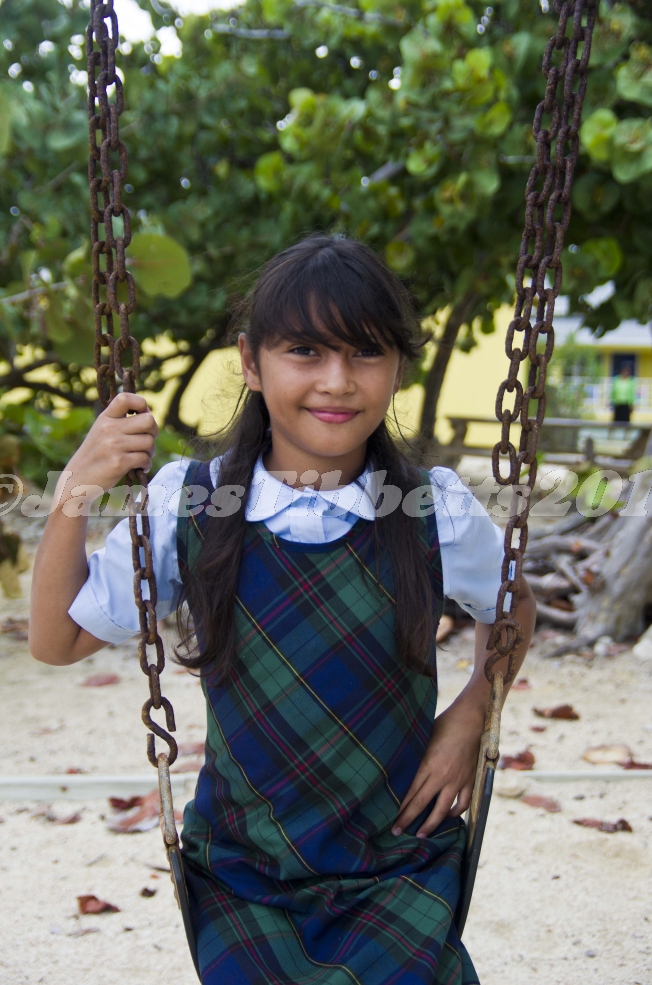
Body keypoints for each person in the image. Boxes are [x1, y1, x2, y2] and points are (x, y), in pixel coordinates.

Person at [29, 236, 535, 985]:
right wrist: (77, 485)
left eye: (366, 352)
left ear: (397, 367)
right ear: (251, 361)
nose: (337, 381)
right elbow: (56, 639)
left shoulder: (433, 509)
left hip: (395, 860)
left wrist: (471, 715)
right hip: (244, 867)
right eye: (305, 350)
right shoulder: (190, 503)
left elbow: (512, 609)